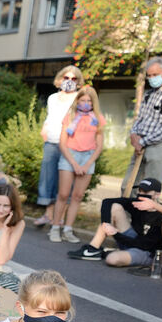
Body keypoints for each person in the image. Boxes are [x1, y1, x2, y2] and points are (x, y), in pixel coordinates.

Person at [68, 177, 162, 268]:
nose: (141, 194)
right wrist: (106, 224)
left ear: (157, 195)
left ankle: (109, 252)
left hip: (146, 251)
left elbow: (144, 245)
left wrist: (115, 234)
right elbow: (107, 202)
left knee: (112, 259)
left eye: (145, 192)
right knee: (115, 207)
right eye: (140, 191)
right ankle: (93, 249)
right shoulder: (137, 203)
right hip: (132, 239)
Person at [50, 85, 106, 244]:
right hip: (70, 156)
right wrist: (74, 163)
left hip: (88, 158)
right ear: (77, 101)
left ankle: (68, 229)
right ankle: (55, 227)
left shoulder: (98, 118)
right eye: (82, 100)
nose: (86, 103)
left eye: (89, 100)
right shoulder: (70, 116)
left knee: (77, 196)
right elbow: (62, 143)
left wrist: (87, 164)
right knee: (63, 194)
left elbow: (99, 145)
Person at [37, 66, 84, 227]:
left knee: (65, 183)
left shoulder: (79, 98)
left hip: (69, 144)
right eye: (66, 78)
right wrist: (44, 128)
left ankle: (61, 217)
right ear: (60, 79)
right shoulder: (52, 98)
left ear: (78, 82)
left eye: (73, 79)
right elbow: (51, 117)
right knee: (48, 179)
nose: (69, 81)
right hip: (51, 141)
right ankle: (48, 215)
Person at [127, 56, 162, 190]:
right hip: (140, 145)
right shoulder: (148, 94)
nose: (151, 78)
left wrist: (142, 142)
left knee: (148, 191)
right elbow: (139, 118)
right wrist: (133, 134)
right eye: (149, 75)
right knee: (128, 187)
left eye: (155, 75)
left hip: (157, 146)